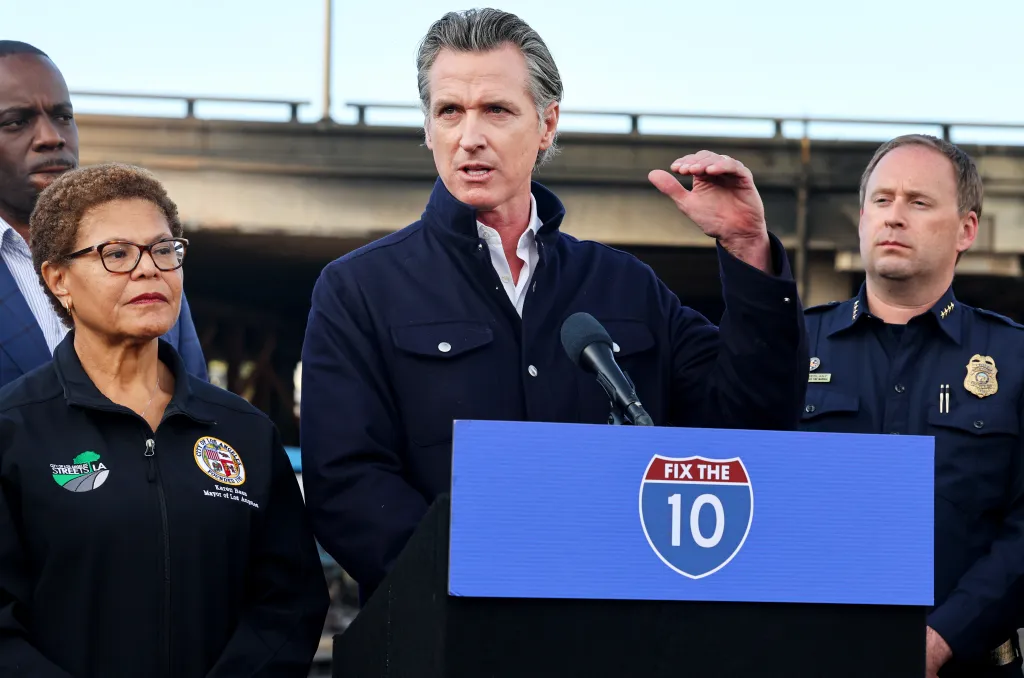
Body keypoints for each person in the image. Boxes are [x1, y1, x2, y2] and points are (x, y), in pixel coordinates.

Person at [300, 7, 808, 601]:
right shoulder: (358, 290)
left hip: (613, 634)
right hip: (444, 640)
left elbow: (749, 428)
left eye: (496, 109)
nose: (470, 137)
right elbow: (348, 487)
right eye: (449, 111)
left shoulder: (626, 286)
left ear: (547, 124)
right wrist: (483, 580)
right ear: (429, 127)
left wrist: (748, 249)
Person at [0, 163, 329, 677]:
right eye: (116, 253)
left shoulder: (243, 431)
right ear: (58, 278)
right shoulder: (14, 430)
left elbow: (290, 602)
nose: (149, 269)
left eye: (163, 250)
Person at [799, 134, 1024, 678]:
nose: (894, 217)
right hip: (815, 657)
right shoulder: (793, 346)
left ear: (966, 229)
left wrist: (943, 638)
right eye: (882, 200)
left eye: (918, 202)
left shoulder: (1015, 358)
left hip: (971, 666)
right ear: (861, 218)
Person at [0, 40, 207, 388]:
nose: (52, 137)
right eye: (17, 122)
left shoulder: (150, 261)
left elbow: (196, 409)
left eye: (63, 117)